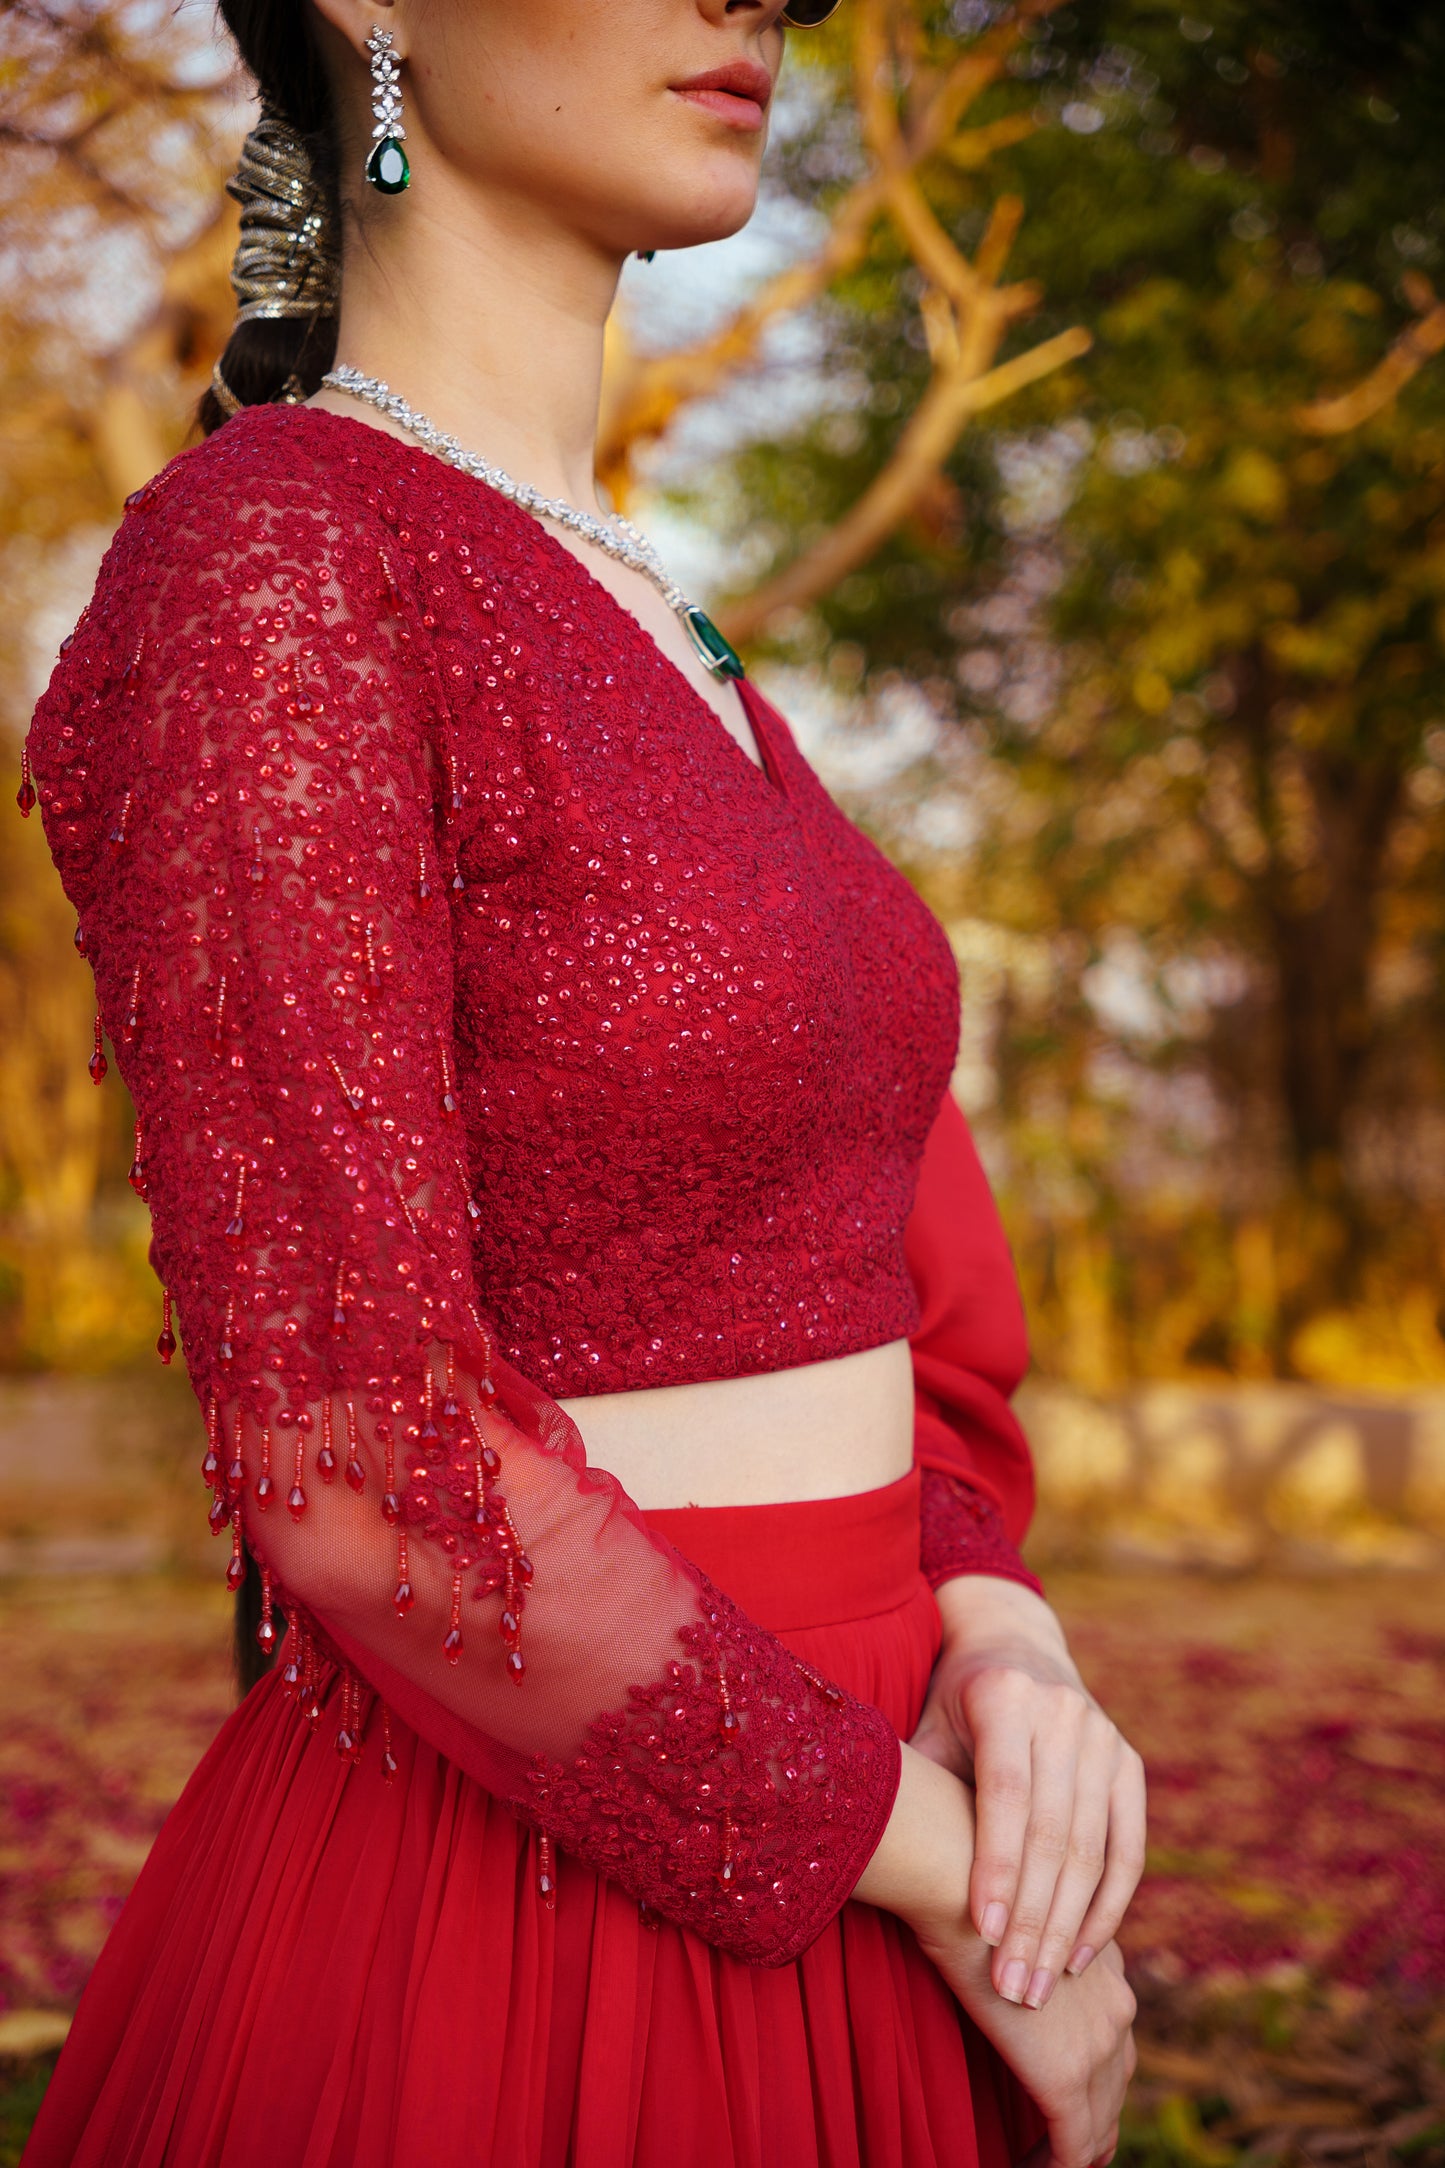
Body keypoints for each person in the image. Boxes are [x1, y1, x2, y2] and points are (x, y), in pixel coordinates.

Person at [16, 1, 1143, 2162]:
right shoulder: (275, 563)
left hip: (892, 1815)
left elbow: (879, 1288)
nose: (762, 0)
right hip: (535, 1925)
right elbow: (359, 1458)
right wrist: (942, 1867)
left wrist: (996, 1630)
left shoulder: (663, 612)